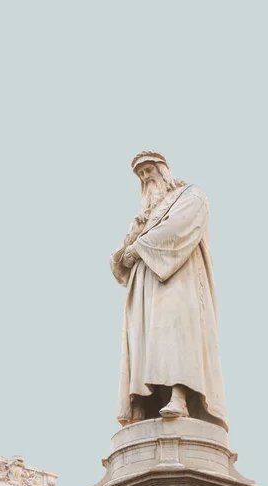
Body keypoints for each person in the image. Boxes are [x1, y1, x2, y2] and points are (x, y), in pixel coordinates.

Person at [110, 151, 227, 431]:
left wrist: (137, 248)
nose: (146, 177)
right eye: (140, 175)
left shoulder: (191, 196)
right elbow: (120, 259)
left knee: (175, 335)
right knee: (143, 342)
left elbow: (179, 229)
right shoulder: (144, 215)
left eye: (149, 170)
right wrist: (129, 242)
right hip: (143, 289)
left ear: (163, 170)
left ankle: (180, 395)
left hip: (178, 280)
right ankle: (141, 402)